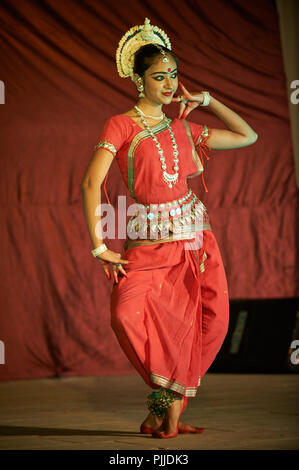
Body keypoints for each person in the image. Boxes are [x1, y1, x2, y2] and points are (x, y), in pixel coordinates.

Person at [81, 18, 258, 439]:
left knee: (203, 322)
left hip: (194, 242)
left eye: (174, 75)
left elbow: (247, 136)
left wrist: (209, 100)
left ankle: (166, 411)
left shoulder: (184, 127)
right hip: (145, 241)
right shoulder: (119, 125)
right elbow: (91, 183)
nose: (169, 83)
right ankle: (164, 407)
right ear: (138, 81)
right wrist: (99, 246)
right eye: (159, 76)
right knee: (127, 314)